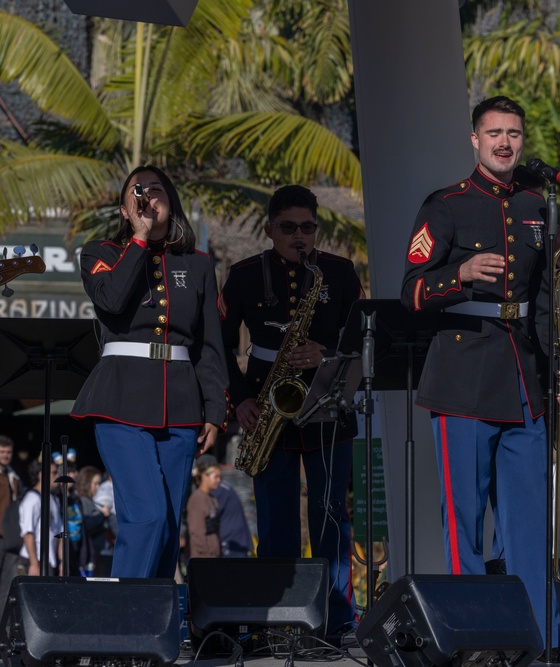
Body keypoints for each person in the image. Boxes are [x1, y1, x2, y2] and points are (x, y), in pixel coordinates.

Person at [400, 95, 560, 663]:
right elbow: (410, 289)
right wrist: (456, 274)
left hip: (525, 377)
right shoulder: (446, 205)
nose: (505, 143)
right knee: (463, 523)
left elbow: (551, 302)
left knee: (532, 524)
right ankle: (473, 639)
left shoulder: (538, 206)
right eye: (494, 133)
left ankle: (538, 642)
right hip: (462, 377)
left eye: (514, 134)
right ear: (474, 140)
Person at [70, 165, 228, 579]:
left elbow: (209, 345)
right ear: (124, 209)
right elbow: (112, 299)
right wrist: (139, 240)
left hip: (180, 406)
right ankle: (124, 625)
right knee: (148, 517)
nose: (148, 198)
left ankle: (152, 633)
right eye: (138, 192)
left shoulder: (197, 264)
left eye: (157, 191)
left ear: (171, 203)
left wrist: (215, 410)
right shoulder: (99, 254)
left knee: (168, 526)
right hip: (119, 400)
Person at [220, 184, 362, 639]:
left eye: (307, 228)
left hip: (327, 407)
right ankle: (276, 621)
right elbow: (219, 347)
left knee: (330, 518)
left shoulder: (339, 272)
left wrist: (327, 352)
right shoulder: (243, 274)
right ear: (269, 230)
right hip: (266, 410)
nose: (299, 237)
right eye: (288, 228)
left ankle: (338, 619)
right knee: (275, 520)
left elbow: (361, 340)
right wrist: (239, 399)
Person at [195, 454, 253, 558]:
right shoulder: (223, 487)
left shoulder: (216, 490)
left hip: (231, 544)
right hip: (236, 542)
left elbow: (207, 519)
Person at [19, 460, 61, 576]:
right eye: (54, 472)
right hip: (35, 559)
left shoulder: (54, 499)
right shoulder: (32, 499)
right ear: (41, 474)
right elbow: (28, 533)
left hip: (50, 560)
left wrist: (62, 562)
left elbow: (60, 532)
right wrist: (34, 564)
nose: (57, 476)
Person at [76, 466, 111, 576]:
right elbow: (86, 525)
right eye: (95, 483)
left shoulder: (90, 501)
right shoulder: (82, 502)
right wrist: (102, 515)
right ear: (86, 483)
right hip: (91, 556)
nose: (98, 487)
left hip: (98, 553)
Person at [186, 460, 222, 559]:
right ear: (204, 476)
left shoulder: (211, 498)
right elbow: (197, 533)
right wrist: (207, 554)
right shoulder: (198, 499)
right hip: (203, 557)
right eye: (216, 477)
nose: (219, 480)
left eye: (220, 477)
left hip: (213, 555)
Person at [0, 436, 21, 599]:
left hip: (11, 535)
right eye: (2, 452)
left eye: (8, 452)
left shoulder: (12, 475)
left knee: (8, 584)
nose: (5, 455)